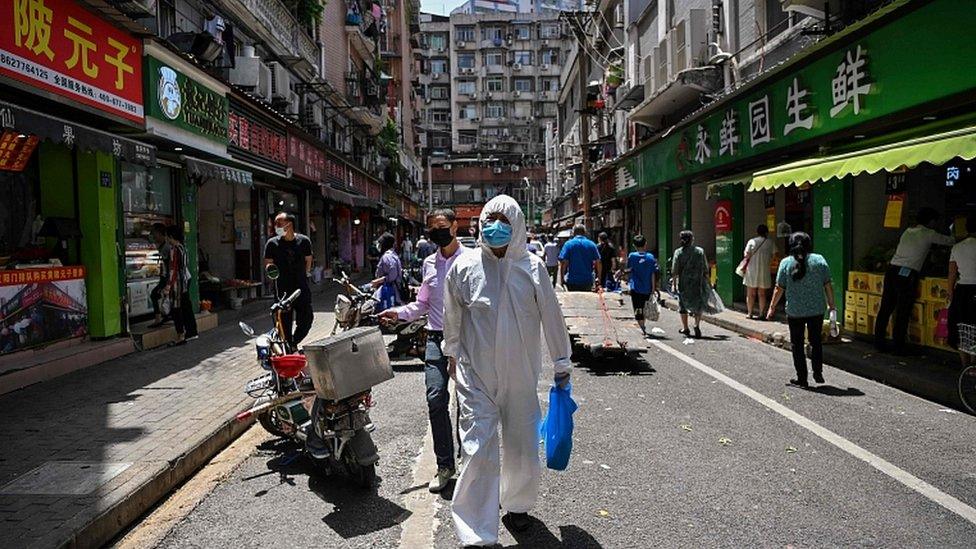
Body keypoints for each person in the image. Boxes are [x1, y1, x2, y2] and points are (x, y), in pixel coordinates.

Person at [443, 195, 572, 547]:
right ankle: (476, 534)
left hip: (520, 375)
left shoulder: (532, 269)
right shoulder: (464, 267)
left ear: (516, 225)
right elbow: (452, 317)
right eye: (489, 219)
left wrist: (562, 360)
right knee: (477, 449)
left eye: (503, 220)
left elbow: (551, 315)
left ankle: (517, 506)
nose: (495, 227)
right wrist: (451, 352)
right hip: (476, 376)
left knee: (521, 444)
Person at [379, 208, 469, 493]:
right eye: (432, 228)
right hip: (435, 338)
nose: (436, 232)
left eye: (442, 226)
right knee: (435, 398)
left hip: (466, 341)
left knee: (468, 405)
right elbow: (422, 304)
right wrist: (399, 313)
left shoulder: (471, 260)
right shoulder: (429, 262)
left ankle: (469, 464)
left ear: (455, 227)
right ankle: (445, 465)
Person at [875, 207, 955, 354]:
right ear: (931, 221)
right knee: (903, 310)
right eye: (935, 221)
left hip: (892, 270)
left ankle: (878, 341)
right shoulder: (929, 234)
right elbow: (950, 241)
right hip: (906, 274)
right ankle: (898, 346)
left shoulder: (908, 231)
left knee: (886, 307)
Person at [766, 232, 836, 387]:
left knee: (797, 344)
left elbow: (779, 288)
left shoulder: (785, 263)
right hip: (817, 309)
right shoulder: (819, 260)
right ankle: (818, 372)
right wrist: (832, 306)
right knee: (816, 341)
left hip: (795, 311)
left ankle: (802, 378)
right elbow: (828, 285)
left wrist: (771, 308)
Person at [264, 212, 313, 346]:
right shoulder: (272, 244)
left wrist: (306, 273)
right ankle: (288, 348)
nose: (275, 227)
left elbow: (308, 259)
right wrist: (270, 270)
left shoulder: (304, 241)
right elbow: (268, 263)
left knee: (306, 320)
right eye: (275, 224)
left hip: (301, 288)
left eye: (278, 223)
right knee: (284, 324)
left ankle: (294, 342)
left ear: (289, 224)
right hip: (283, 291)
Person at [948, 215, 976, 367]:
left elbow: (952, 274)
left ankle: (965, 363)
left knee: (962, 328)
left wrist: (950, 294)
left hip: (962, 291)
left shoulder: (957, 247)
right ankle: (974, 363)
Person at [671, 230, 708, 338]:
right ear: (692, 239)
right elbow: (705, 268)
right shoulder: (700, 251)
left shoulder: (678, 252)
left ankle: (686, 328)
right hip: (698, 282)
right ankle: (696, 324)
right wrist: (708, 281)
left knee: (683, 306)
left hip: (684, 283)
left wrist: (674, 284)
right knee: (698, 304)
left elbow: (674, 270)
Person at [164, 225, 197, 344]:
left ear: (171, 236)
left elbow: (173, 269)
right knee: (186, 307)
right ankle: (191, 332)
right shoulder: (183, 248)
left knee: (176, 308)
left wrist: (168, 285)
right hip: (184, 280)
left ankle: (180, 335)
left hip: (177, 283)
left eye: (167, 236)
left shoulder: (174, 250)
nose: (166, 238)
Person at [624, 235, 658, 335]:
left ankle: (642, 326)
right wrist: (653, 288)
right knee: (645, 307)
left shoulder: (632, 256)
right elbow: (653, 273)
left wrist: (627, 281)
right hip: (647, 287)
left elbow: (629, 270)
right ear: (645, 244)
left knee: (638, 308)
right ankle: (643, 325)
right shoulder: (650, 257)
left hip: (635, 287)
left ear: (634, 245)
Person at [742, 224, 774, 320]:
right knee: (762, 294)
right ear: (766, 232)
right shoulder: (770, 242)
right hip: (764, 270)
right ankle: (761, 313)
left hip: (752, 270)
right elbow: (776, 254)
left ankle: (750, 313)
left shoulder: (752, 241)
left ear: (757, 232)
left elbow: (746, 255)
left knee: (750, 293)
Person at [559, 225, 601, 291]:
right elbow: (598, 262)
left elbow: (564, 263)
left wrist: (562, 280)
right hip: (587, 280)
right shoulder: (592, 244)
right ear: (585, 232)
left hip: (572, 281)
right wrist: (599, 278)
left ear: (573, 233)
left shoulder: (568, 244)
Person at [148, 223, 171, 327]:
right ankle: (165, 316)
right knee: (159, 295)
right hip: (165, 276)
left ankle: (159, 318)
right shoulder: (161, 246)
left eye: (154, 233)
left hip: (166, 277)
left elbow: (169, 264)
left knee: (154, 294)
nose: (153, 236)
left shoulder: (166, 247)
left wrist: (167, 281)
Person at [372, 232, 403, 309]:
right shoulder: (392, 254)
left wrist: (378, 281)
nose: (378, 246)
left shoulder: (387, 256)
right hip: (391, 291)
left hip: (389, 292)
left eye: (380, 243)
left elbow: (392, 275)